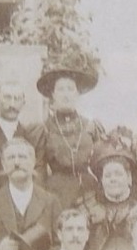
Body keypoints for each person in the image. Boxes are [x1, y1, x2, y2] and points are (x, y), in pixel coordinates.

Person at [36, 48, 106, 209]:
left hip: (89, 190)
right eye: (60, 89)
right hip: (56, 191)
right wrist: (41, 198)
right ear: (53, 94)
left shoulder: (91, 126)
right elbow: (39, 168)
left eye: (70, 89)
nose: (65, 94)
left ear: (77, 93)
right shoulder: (44, 129)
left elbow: (102, 162)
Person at [83, 130, 137, 250]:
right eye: (108, 176)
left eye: (118, 174)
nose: (113, 179)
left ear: (129, 177)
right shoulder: (86, 206)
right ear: (101, 180)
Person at [0, 82, 46, 175]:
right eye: (7, 98)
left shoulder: (33, 135)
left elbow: (39, 171)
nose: (12, 104)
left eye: (17, 99)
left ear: (23, 103)